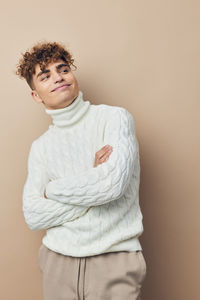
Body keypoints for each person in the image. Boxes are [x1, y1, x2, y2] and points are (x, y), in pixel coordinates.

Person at [16, 41, 147, 300]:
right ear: (36, 95)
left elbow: (111, 185)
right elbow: (33, 215)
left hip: (114, 256)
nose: (58, 77)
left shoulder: (115, 119)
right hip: (57, 260)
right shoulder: (40, 147)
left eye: (63, 69)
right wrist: (91, 178)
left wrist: (51, 190)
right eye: (46, 75)